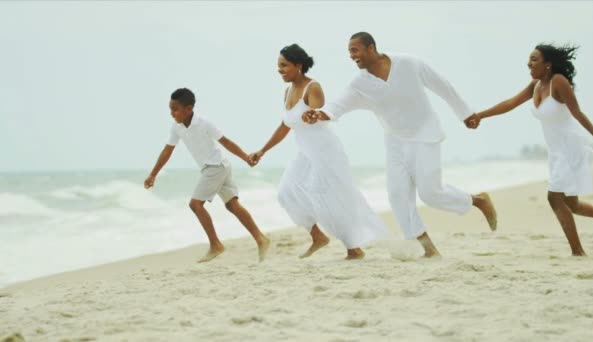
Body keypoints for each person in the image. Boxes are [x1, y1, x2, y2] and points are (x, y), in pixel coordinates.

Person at [303, 32, 497, 257]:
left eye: (355, 50)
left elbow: (442, 85)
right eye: (349, 52)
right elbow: (338, 105)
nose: (351, 56)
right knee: (397, 197)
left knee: (431, 193)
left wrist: (465, 113)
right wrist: (318, 114)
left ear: (371, 48)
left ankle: (478, 200)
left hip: (426, 136)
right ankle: (429, 250)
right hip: (395, 142)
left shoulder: (408, 63)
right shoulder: (360, 84)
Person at [466, 43, 593, 256]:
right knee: (572, 203)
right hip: (556, 151)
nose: (529, 63)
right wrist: (480, 115)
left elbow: (577, 113)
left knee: (554, 198)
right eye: (529, 59)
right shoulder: (536, 85)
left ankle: (578, 252)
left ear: (548, 64)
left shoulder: (558, 82)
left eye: (534, 59)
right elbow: (511, 103)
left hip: (571, 147)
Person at [250, 44, 387, 260]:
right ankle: (318, 237)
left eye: (284, 65)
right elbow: (285, 126)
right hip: (305, 153)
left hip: (325, 152)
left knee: (326, 197)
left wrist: (314, 114)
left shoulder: (312, 87)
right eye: (278, 66)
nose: (280, 70)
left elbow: (319, 110)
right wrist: (262, 150)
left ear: (298, 65)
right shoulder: (287, 92)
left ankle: (354, 249)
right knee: (286, 192)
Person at [144, 88, 270, 262]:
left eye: (175, 109)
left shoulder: (204, 123)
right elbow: (167, 150)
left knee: (195, 205)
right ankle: (261, 239)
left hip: (216, 166)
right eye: (170, 109)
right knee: (232, 205)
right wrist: (153, 174)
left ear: (188, 109)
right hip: (216, 167)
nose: (172, 113)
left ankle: (215, 245)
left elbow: (225, 142)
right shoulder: (177, 128)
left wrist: (246, 158)